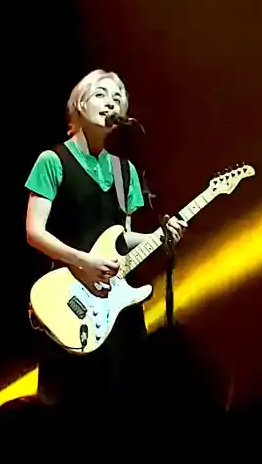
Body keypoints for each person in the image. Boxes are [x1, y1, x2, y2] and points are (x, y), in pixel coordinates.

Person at [24, 69, 186, 409]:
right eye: (102, 94)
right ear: (79, 103)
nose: (111, 101)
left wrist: (160, 236)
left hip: (117, 305)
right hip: (70, 300)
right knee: (73, 405)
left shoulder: (123, 170)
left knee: (128, 402)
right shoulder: (52, 161)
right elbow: (34, 232)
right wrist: (85, 262)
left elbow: (122, 236)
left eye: (118, 97)